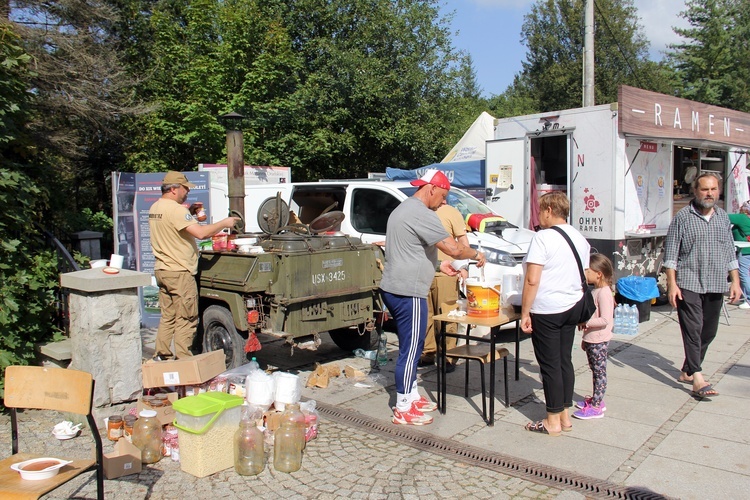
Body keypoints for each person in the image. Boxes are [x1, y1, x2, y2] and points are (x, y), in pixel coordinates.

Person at [380, 169, 486, 425]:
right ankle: (403, 406)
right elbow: (452, 248)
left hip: (396, 286)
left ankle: (412, 394)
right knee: (411, 348)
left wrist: (440, 267)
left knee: (413, 346)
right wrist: (475, 254)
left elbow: (410, 251)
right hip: (409, 291)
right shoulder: (421, 213)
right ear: (431, 189)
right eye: (443, 196)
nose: (443, 202)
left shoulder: (404, 209)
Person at [664, 172, 740, 398]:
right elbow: (671, 254)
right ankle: (697, 377)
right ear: (695, 191)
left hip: (716, 282)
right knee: (693, 330)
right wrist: (672, 284)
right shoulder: (683, 217)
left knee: (709, 331)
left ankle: (687, 369)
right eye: (705, 189)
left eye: (713, 189)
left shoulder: (723, 217)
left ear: (719, 191)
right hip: (689, 282)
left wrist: (735, 281)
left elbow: (729, 251)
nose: (709, 194)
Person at [149, 171, 240, 360]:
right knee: (187, 318)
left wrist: (189, 213)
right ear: (174, 189)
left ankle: (162, 356)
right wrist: (225, 222)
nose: (187, 193)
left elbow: (172, 226)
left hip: (163, 270)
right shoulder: (176, 210)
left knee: (168, 317)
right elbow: (200, 234)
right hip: (180, 272)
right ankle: (184, 361)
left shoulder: (155, 207)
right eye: (185, 189)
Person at [520, 191, 590, 436]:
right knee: (563, 361)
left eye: (540, 210)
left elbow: (532, 279)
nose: (539, 215)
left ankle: (551, 420)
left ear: (549, 210)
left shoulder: (542, 238)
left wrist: (525, 312)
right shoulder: (580, 238)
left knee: (549, 365)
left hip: (548, 309)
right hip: (572, 305)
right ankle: (564, 416)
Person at [420, 202, 470, 372]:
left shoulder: (451, 212)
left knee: (448, 316)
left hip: (446, 274)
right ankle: (428, 351)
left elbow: (462, 241)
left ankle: (449, 355)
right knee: (425, 316)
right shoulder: (420, 210)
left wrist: (464, 266)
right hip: (424, 272)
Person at [573, 253, 614, 420]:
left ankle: (596, 405)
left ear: (599, 273)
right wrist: (585, 338)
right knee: (594, 370)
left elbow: (605, 319)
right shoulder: (597, 291)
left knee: (599, 372)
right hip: (592, 339)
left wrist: (586, 322)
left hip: (599, 339)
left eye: (588, 271)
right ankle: (596, 399)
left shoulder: (604, 293)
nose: (585, 274)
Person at [728, 201, 750, 309]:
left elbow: (724, 216)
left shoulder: (742, 218)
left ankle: (749, 299)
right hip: (746, 249)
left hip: (745, 251)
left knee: (743, 274)